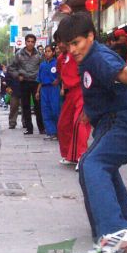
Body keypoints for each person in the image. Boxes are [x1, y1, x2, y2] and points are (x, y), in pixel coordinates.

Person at [57, 12, 127, 253]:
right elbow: (98, 85)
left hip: (124, 122)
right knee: (102, 165)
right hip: (116, 121)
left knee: (93, 164)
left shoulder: (98, 56)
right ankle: (125, 217)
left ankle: (115, 230)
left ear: (90, 36)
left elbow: (120, 73)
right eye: (68, 45)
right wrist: (88, 109)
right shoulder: (88, 58)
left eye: (76, 43)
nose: (72, 50)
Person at [55, 34, 91, 169]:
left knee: (80, 122)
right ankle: (69, 155)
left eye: (61, 42)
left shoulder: (78, 53)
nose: (59, 45)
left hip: (82, 90)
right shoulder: (60, 58)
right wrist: (63, 87)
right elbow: (61, 74)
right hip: (70, 93)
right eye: (57, 43)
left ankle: (82, 156)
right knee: (63, 124)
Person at [8, 34, 44, 135]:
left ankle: (41, 128)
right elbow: (11, 68)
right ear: (25, 42)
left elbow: (43, 67)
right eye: (28, 41)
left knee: (38, 106)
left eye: (32, 42)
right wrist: (17, 76)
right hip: (24, 82)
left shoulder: (39, 55)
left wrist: (41, 79)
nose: (30, 43)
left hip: (36, 82)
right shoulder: (19, 54)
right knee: (25, 105)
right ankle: (29, 128)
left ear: (35, 43)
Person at [36, 44, 60, 141]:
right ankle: (51, 132)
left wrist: (58, 80)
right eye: (46, 51)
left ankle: (58, 131)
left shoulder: (57, 63)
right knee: (45, 111)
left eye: (49, 51)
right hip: (44, 89)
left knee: (56, 110)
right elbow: (40, 79)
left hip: (54, 88)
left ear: (53, 52)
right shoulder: (42, 65)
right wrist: (38, 91)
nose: (47, 53)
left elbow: (62, 74)